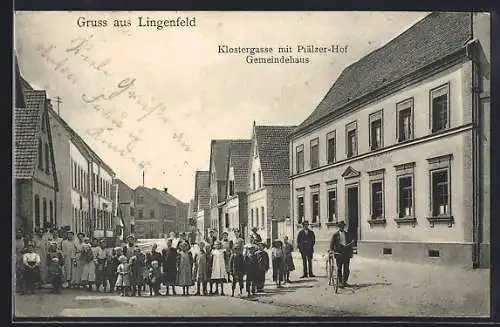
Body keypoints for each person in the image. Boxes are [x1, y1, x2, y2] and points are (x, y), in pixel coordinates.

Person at [330, 221, 354, 288]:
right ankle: (340, 282)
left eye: (343, 226)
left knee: (346, 268)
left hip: (346, 253)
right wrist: (331, 251)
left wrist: (351, 253)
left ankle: (345, 281)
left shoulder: (347, 234)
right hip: (339, 253)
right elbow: (332, 244)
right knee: (339, 268)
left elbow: (350, 245)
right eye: (340, 226)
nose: (342, 227)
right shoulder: (335, 235)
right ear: (339, 227)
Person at [15, 229, 25, 293]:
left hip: (24, 259)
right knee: (18, 274)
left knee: (23, 274)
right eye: (18, 233)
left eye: (20, 233)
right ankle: (18, 287)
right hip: (17, 259)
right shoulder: (14, 241)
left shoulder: (24, 240)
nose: (19, 234)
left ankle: (23, 287)